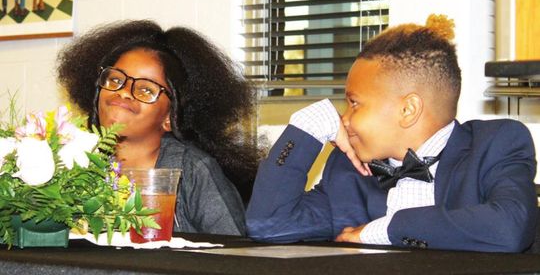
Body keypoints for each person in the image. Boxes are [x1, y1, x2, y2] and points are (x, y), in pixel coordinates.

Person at [246, 14, 538, 252]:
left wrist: (386, 229)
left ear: (408, 110)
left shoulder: (495, 145)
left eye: (354, 103)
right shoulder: (349, 172)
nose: (344, 119)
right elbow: (269, 224)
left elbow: (509, 229)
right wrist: (308, 125)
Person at [57, 20, 262, 236]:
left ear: (169, 117)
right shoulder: (72, 161)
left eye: (146, 90)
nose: (124, 92)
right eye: (115, 80)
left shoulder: (194, 171)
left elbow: (234, 255)